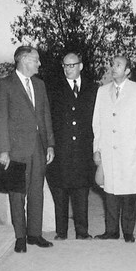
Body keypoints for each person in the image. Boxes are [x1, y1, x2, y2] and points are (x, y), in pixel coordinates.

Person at [0, 45, 55, 253]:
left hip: (38, 147)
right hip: (16, 149)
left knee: (37, 191)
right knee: (17, 193)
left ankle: (34, 234)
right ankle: (20, 236)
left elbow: (46, 116)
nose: (39, 63)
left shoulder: (40, 85)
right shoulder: (5, 85)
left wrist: (50, 145)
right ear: (24, 60)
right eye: (36, 59)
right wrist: (3, 151)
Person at [92, 55, 136, 243]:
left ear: (127, 71)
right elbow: (97, 124)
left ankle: (128, 232)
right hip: (108, 151)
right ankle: (111, 231)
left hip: (130, 152)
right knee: (109, 192)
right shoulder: (102, 91)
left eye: (119, 65)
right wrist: (97, 149)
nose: (114, 67)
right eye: (113, 64)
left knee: (128, 194)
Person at [46, 52, 98, 241]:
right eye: (66, 65)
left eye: (72, 65)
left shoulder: (93, 89)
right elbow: (48, 120)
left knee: (81, 192)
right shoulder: (53, 89)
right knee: (60, 193)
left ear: (81, 66)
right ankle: (61, 233)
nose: (68, 69)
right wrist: (50, 145)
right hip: (61, 151)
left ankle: (82, 232)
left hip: (83, 152)